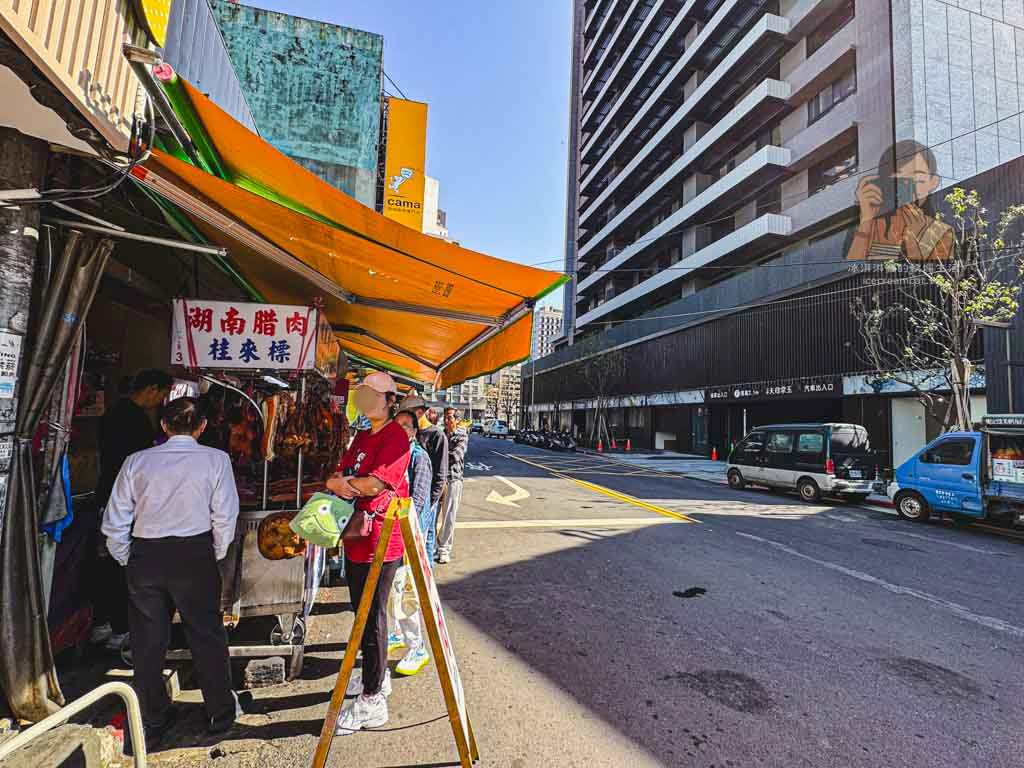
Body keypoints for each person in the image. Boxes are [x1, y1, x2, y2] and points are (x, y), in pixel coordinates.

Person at [101, 397, 240, 749]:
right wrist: (214, 553)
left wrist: (127, 557)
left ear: (163, 426)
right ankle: (219, 715)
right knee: (207, 637)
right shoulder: (216, 460)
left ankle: (153, 717)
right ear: (202, 427)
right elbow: (225, 516)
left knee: (148, 643)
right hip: (195, 555)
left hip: (146, 556)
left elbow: (115, 519)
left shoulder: (137, 462)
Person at [328, 371, 411, 735]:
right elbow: (343, 472)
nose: (365, 400)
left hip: (380, 540)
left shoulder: (396, 439)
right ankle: (377, 679)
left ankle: (372, 700)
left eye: (373, 394)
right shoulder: (363, 434)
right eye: (363, 394)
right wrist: (345, 483)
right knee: (360, 613)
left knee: (372, 618)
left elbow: (374, 483)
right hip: (354, 536)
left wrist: (345, 484)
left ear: (391, 401)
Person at [91, 369, 173, 652]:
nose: (161, 400)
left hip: (108, 493)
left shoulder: (114, 411)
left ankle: (102, 623)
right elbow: (138, 464)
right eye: (162, 394)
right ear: (152, 389)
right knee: (119, 564)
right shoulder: (135, 418)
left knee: (104, 561)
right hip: (124, 497)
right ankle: (120, 628)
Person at [385, 405, 434, 677]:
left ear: (415, 431)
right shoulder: (392, 455)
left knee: (406, 596)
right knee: (390, 592)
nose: (401, 429)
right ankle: (394, 634)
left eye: (407, 425)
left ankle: (418, 647)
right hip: (388, 536)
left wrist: (406, 535)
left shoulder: (418, 457)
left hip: (406, 537)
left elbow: (417, 501)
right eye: (397, 424)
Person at [847, 140, 954, 262]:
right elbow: (852, 266)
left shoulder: (940, 231)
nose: (908, 188)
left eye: (918, 180)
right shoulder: (872, 224)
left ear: (933, 182)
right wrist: (866, 220)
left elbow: (936, 273)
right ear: (883, 182)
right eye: (899, 181)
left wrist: (919, 236)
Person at [401, 396, 447, 562]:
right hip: (411, 497)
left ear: (420, 412)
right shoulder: (411, 433)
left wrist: (431, 502)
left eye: (408, 415)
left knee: (425, 542)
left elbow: (441, 475)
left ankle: (426, 584)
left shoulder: (437, 435)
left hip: (427, 501)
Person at [436, 407, 468, 564]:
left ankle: (444, 549)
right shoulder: (441, 434)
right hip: (438, 480)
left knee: (449, 516)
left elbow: (456, 456)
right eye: (445, 417)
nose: (446, 420)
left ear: (457, 420)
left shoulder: (462, 436)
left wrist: (438, 457)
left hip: (453, 479)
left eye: (450, 418)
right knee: (433, 515)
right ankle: (434, 546)